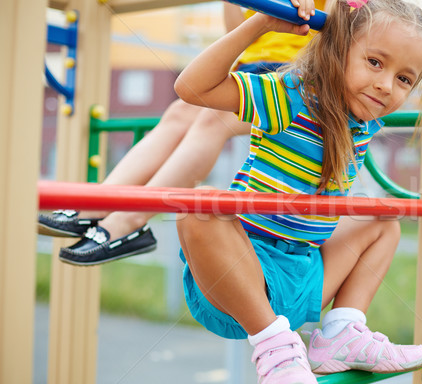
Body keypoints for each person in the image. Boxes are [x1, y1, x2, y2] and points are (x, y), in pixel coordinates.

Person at [173, 0, 422, 384]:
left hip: (303, 279)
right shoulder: (291, 95)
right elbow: (191, 88)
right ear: (338, 47)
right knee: (199, 207)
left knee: (383, 220)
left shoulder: (364, 120)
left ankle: (340, 334)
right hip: (237, 280)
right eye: (375, 62)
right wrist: (260, 24)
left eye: (404, 79)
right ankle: (273, 345)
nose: (386, 85)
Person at [37, 1, 326, 266]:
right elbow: (239, 35)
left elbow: (341, 30)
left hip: (300, 74)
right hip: (253, 67)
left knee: (213, 120)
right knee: (180, 111)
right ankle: (96, 205)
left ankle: (129, 221)